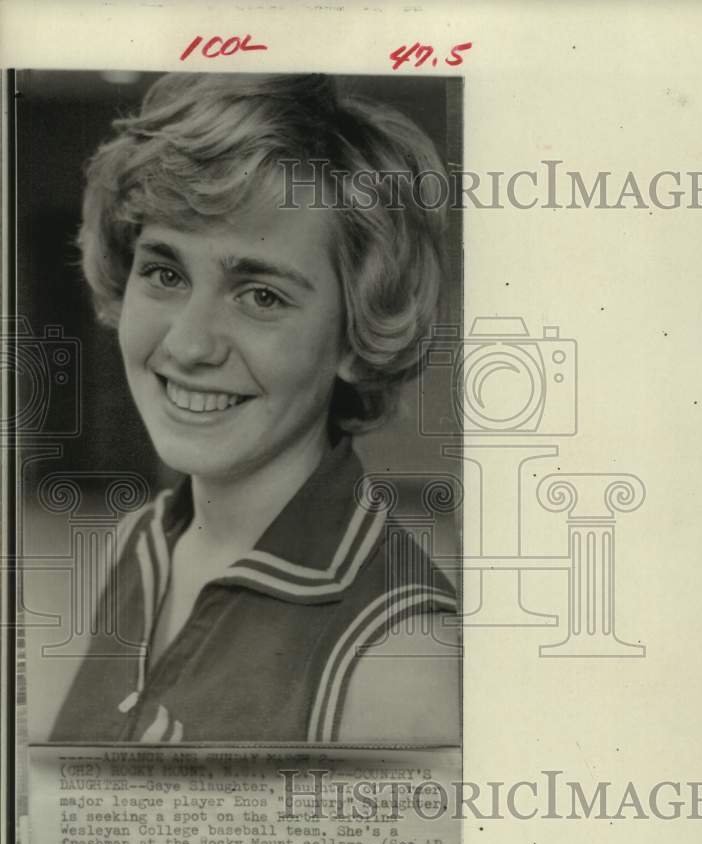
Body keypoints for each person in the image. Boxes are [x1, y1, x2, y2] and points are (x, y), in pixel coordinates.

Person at [49, 72, 460, 745]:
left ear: (357, 338)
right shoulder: (141, 543)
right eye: (165, 273)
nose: (188, 344)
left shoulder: (401, 655)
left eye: (261, 295)